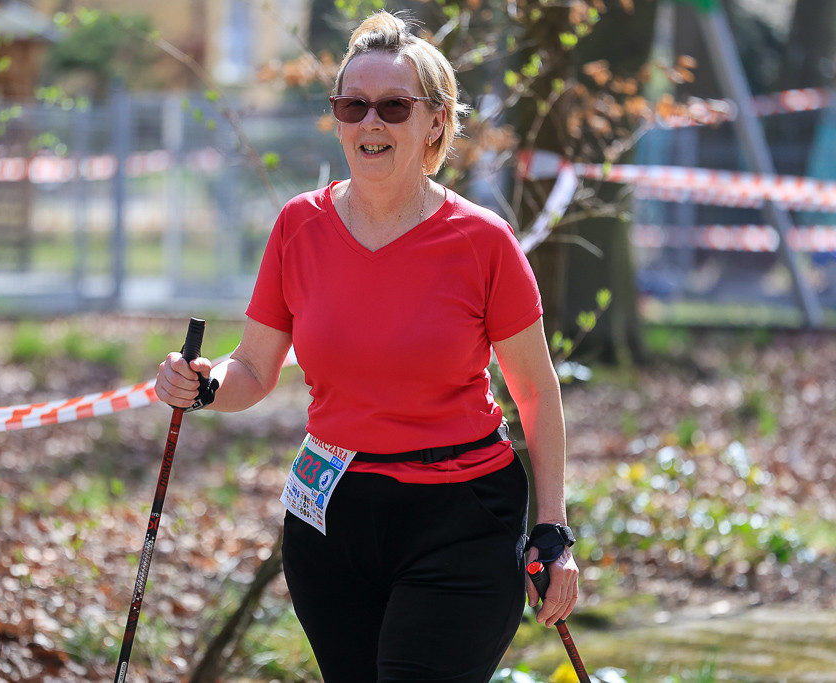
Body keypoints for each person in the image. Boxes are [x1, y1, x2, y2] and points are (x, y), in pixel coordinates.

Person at [156, 10, 579, 682]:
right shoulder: (300, 225)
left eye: (392, 106)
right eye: (353, 105)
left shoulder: (483, 241)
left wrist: (553, 529)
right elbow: (256, 366)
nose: (370, 123)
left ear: (435, 121)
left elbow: (534, 390)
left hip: (461, 514)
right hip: (333, 518)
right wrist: (203, 383)